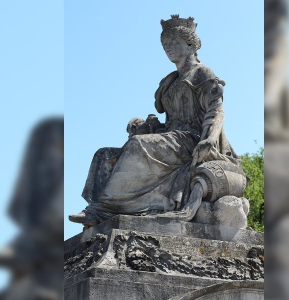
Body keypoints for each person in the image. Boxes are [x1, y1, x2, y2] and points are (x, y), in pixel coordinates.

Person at [69, 15, 240, 227]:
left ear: (190, 44)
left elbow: (217, 110)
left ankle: (104, 210)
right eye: (164, 44)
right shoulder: (169, 81)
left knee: (137, 146)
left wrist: (210, 139)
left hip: (191, 140)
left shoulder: (202, 73)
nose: (168, 48)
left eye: (173, 43)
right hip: (171, 137)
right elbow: (168, 123)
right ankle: (98, 208)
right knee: (104, 155)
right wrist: (147, 125)